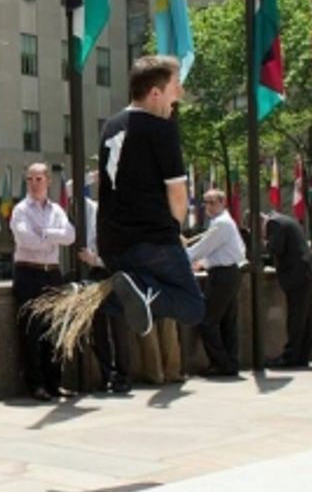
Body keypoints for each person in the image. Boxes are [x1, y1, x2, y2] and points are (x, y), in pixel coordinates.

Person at [93, 55, 205, 338]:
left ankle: (92, 294)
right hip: (151, 238)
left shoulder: (111, 125)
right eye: (175, 86)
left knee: (137, 296)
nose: (179, 94)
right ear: (155, 93)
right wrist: (176, 229)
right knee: (192, 306)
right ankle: (117, 292)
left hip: (111, 242)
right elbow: (178, 194)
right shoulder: (160, 129)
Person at [10, 162, 77, 401]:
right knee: (31, 330)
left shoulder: (57, 209)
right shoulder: (20, 210)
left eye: (39, 179)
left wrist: (46, 234)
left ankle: (54, 384)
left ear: (48, 181)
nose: (35, 183)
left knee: (54, 329)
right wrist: (52, 237)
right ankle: (35, 385)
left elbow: (70, 235)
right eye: (30, 179)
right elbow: (26, 239)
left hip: (52, 274)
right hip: (28, 272)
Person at [76, 178, 133, 394]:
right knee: (97, 328)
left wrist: (96, 259)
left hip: (116, 273)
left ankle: (123, 376)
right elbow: (71, 189)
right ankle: (106, 374)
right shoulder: (94, 209)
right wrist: (91, 176)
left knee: (119, 328)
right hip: (97, 275)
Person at [187, 189, 246, 377]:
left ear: (223, 203)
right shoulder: (223, 223)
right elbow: (221, 252)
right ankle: (230, 363)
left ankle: (221, 364)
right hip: (229, 273)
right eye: (205, 202)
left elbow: (202, 248)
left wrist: (180, 257)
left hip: (223, 276)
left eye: (212, 202)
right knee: (227, 321)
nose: (207, 206)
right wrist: (203, 263)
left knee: (207, 321)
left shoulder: (221, 224)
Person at [263, 213, 312, 368]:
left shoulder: (274, 223)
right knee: (306, 317)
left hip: (296, 275)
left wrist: (263, 242)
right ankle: (302, 355)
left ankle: (291, 357)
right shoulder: (285, 220)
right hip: (307, 272)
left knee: (297, 317)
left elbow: (276, 248)